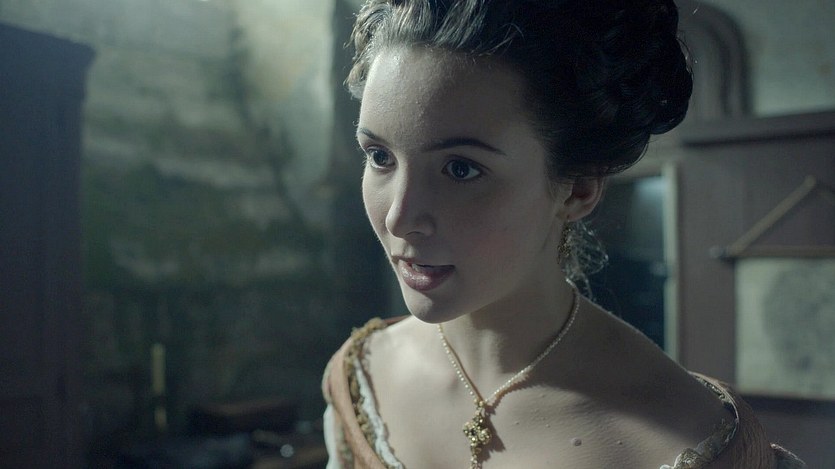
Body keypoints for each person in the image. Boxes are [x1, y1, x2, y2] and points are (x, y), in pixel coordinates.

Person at [322, 0, 806, 467]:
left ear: (577, 188)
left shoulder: (687, 439)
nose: (400, 218)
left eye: (460, 169)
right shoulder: (362, 378)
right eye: (379, 157)